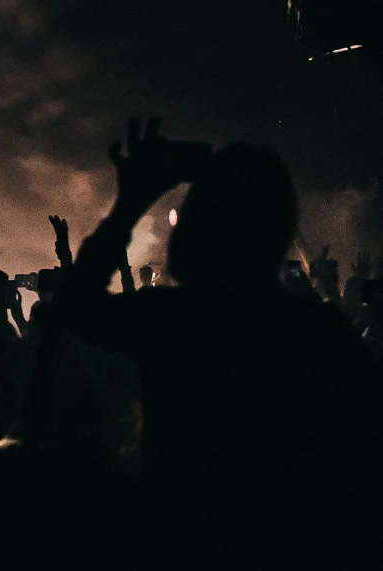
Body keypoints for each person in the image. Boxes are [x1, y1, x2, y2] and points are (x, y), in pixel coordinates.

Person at [54, 119, 380, 545]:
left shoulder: (172, 320)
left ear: (197, 226)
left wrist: (131, 202)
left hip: (182, 543)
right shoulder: (320, 331)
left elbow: (78, 307)